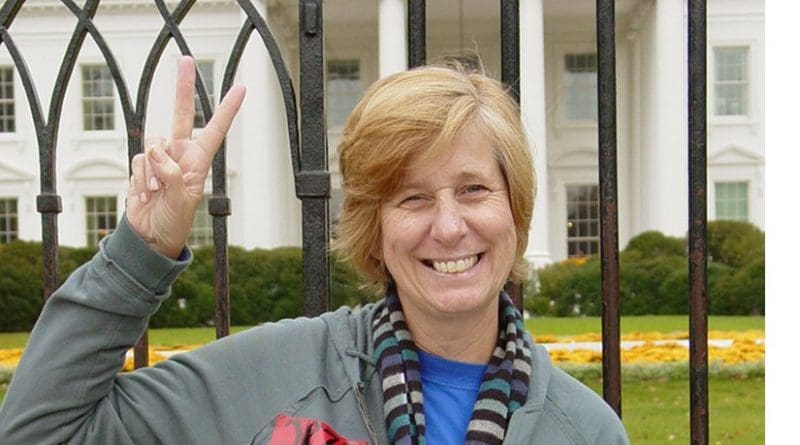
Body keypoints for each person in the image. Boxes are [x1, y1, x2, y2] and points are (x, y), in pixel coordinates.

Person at [0, 56, 629, 444]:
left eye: (474, 190)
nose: (448, 225)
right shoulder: (276, 375)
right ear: (373, 228)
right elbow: (41, 435)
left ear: (514, 210)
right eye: (410, 198)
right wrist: (143, 248)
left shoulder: (585, 430)